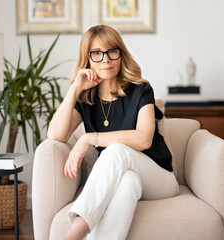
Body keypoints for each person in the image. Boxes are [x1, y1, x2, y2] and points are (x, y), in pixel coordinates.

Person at [47, 25, 179, 240]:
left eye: (112, 52)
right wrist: (75, 88)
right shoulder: (86, 98)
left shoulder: (141, 90)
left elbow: (144, 139)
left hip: (160, 179)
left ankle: (76, 231)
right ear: (87, 59)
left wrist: (89, 139)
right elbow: (55, 135)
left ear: (121, 54)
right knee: (127, 181)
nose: (105, 60)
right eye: (97, 54)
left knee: (116, 149)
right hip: (127, 178)